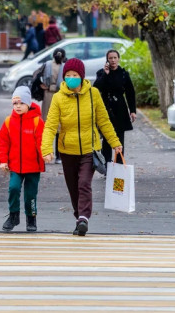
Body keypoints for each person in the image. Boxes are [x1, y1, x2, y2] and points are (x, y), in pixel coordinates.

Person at [41, 58, 122, 236]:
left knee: (84, 183)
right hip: (67, 150)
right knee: (73, 187)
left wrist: (115, 142)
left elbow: (103, 121)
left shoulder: (94, 94)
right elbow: (50, 125)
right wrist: (46, 149)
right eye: (68, 75)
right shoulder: (58, 98)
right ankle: (79, 217)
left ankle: (84, 217)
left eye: (75, 75)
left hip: (89, 149)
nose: (71, 78)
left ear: (82, 76)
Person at [0, 86, 45, 232]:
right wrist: (3, 160)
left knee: (31, 195)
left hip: (33, 166)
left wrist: (46, 154)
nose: (18, 106)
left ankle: (31, 218)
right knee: (13, 188)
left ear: (28, 104)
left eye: (21, 103)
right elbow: (2, 142)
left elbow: (43, 141)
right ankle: (13, 215)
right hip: (15, 166)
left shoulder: (37, 121)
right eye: (15, 103)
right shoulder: (8, 121)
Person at [93, 49, 137, 165]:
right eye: (110, 58)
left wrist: (132, 111)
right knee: (107, 138)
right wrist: (105, 75)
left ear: (118, 59)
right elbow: (96, 89)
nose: (113, 60)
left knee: (120, 138)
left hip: (120, 108)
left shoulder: (123, 74)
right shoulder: (101, 73)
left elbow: (130, 93)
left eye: (115, 58)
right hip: (106, 107)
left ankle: (119, 165)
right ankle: (106, 165)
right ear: (107, 59)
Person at [40, 48, 65, 164]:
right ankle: (54, 155)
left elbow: (36, 75)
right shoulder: (63, 66)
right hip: (56, 94)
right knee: (54, 125)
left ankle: (51, 154)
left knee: (51, 125)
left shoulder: (48, 64)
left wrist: (42, 85)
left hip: (53, 94)